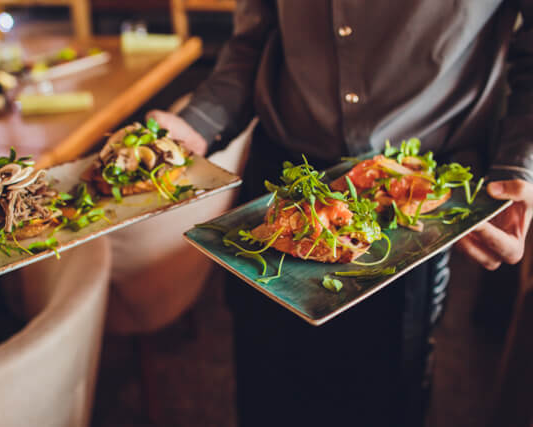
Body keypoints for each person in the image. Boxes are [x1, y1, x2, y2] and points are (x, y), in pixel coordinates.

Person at [149, 1, 533, 425]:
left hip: (413, 199)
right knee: (267, 387)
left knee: (382, 396)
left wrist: (517, 169)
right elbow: (254, 40)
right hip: (281, 181)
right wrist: (198, 125)